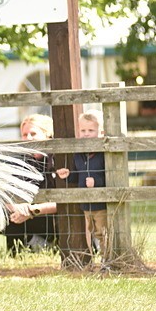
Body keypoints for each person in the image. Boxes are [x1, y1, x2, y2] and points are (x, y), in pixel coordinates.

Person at [3, 113, 60, 255]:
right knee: (4, 214)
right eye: (24, 134)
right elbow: (4, 193)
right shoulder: (20, 160)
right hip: (26, 213)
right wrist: (17, 208)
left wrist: (32, 210)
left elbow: (66, 200)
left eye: (33, 134)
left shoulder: (59, 158)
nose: (28, 138)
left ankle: (51, 246)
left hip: (52, 216)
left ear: (47, 135)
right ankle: (19, 254)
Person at [57, 110, 108, 265]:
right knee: (90, 232)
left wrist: (96, 181)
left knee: (103, 232)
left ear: (101, 132)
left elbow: (111, 176)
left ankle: (107, 260)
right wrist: (68, 175)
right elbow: (77, 177)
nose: (86, 134)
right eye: (83, 130)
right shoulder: (78, 155)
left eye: (91, 130)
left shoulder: (103, 154)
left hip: (101, 203)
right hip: (86, 204)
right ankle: (93, 260)